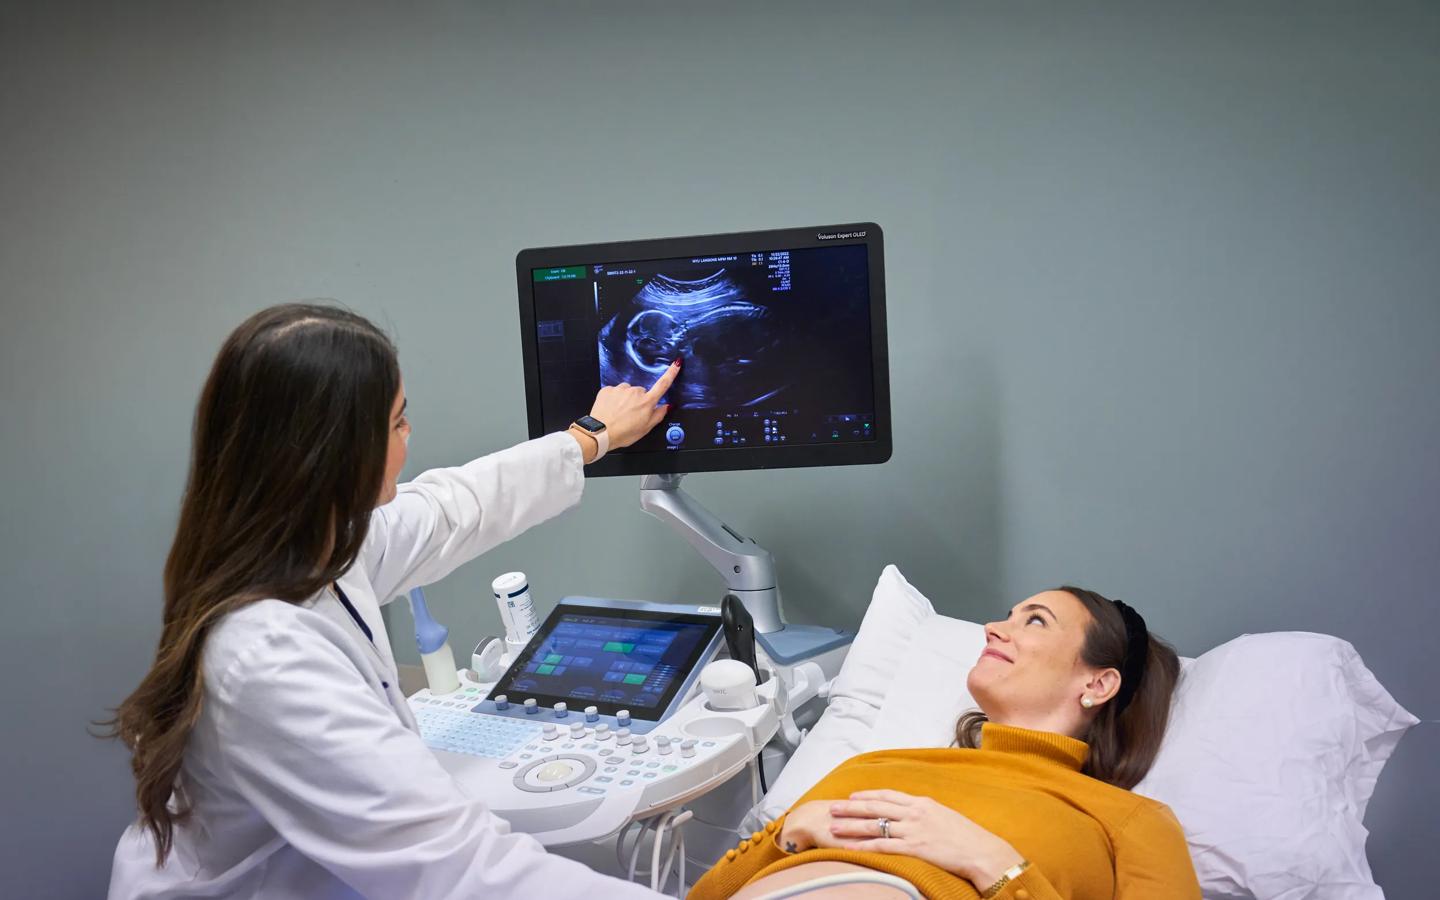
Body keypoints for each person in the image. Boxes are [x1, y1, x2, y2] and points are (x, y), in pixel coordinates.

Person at [102, 303, 679, 899]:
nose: (410, 437)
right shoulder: (264, 659)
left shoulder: (314, 548)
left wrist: (590, 436)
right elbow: (460, 871)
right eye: (399, 423)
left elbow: (452, 508)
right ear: (334, 451)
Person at [689, 587, 1202, 899]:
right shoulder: (877, 763)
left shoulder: (1128, 821)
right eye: (1008, 614)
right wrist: (788, 834)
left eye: (1035, 620)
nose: (993, 628)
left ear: (1097, 684)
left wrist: (994, 865)